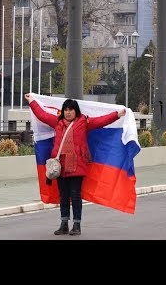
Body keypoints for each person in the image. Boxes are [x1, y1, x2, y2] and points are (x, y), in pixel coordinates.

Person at [25, 93, 126, 236]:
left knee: (75, 195)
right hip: (60, 166)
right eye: (66, 109)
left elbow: (101, 121)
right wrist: (32, 101)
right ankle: (64, 224)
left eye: (71, 109)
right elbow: (42, 115)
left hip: (77, 166)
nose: (68, 112)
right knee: (63, 196)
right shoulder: (57, 122)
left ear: (76, 111)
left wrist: (117, 114)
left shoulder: (84, 122)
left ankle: (77, 225)